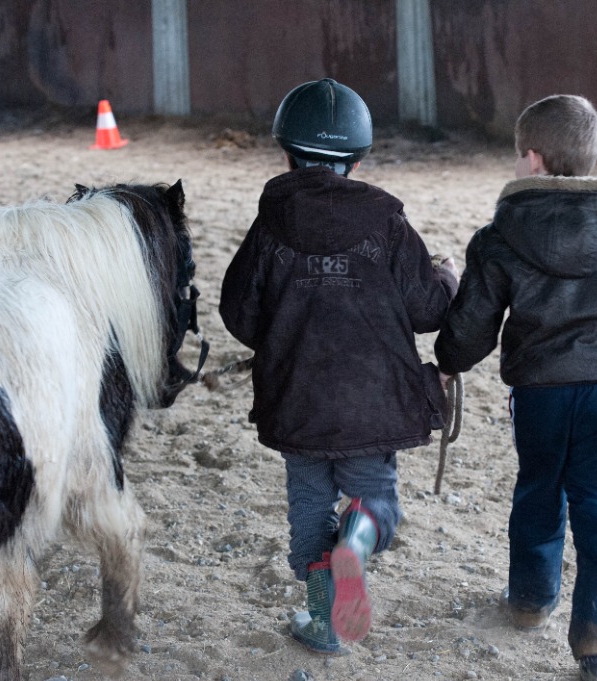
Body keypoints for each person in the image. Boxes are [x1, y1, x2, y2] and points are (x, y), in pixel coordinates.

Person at [434, 94, 597, 681]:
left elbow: (474, 322)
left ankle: (530, 600)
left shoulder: (498, 235)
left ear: (532, 158)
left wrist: (448, 361)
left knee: (539, 487)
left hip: (539, 393)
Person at [219, 78, 458, 655]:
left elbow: (239, 314)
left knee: (308, 508)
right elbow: (429, 311)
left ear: (287, 154)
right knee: (376, 501)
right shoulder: (387, 223)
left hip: (296, 403)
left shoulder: (270, 224)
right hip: (373, 405)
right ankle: (360, 535)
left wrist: (283, 334)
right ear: (358, 159)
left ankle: (324, 622)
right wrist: (448, 277)